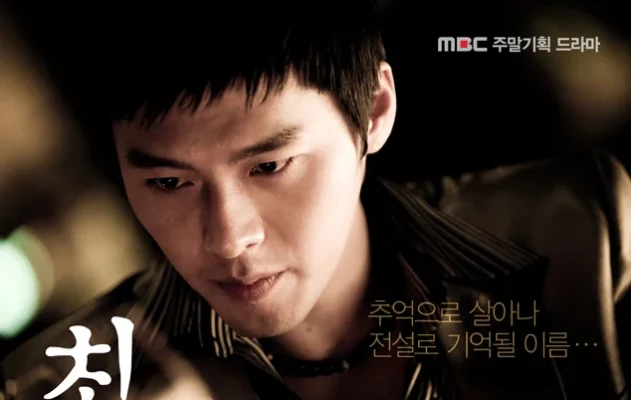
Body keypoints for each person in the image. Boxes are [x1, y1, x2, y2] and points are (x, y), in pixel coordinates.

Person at [1, 2, 629, 399]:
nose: (228, 238)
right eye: (169, 183)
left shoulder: (583, 233)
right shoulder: (71, 380)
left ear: (375, 110)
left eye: (270, 166)